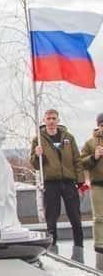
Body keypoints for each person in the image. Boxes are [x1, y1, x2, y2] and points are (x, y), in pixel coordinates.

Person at [30, 109, 84, 262]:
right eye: (49, 118)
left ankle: (79, 248)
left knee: (75, 216)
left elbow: (77, 160)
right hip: (51, 183)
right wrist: (37, 154)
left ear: (58, 120)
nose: (51, 121)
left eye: (54, 118)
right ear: (44, 120)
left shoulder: (68, 138)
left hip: (68, 182)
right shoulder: (38, 139)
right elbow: (34, 164)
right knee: (51, 218)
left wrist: (80, 181)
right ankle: (52, 249)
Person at [81, 113, 103, 269]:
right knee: (99, 217)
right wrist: (94, 157)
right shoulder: (90, 143)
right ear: (98, 125)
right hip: (98, 184)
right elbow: (82, 162)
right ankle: (100, 244)